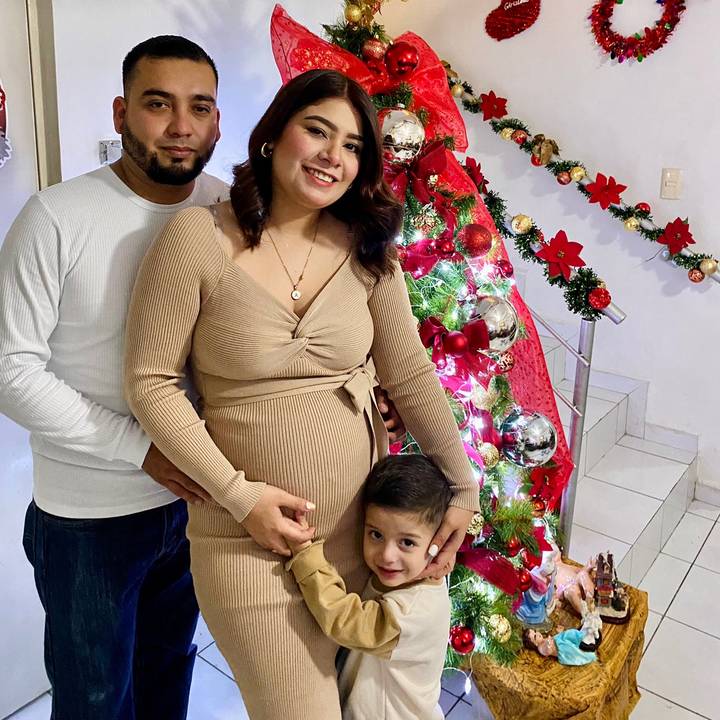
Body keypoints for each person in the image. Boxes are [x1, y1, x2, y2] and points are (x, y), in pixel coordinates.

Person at [123, 68, 480, 720]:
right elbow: (151, 383)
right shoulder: (196, 238)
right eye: (317, 131)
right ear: (272, 136)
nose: (333, 155)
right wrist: (241, 497)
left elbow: (409, 373)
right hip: (247, 542)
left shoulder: (367, 250)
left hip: (366, 539)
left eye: (352, 146)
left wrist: (463, 485)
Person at [0, 35, 226, 719]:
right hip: (88, 521)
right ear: (122, 112)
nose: (181, 126)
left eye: (199, 107)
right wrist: (143, 450)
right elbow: (10, 370)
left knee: (169, 674)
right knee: (95, 702)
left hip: (195, 504)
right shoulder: (56, 217)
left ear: (218, 121)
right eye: (158, 104)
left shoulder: (229, 209)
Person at [285, 454, 454, 720]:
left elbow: (346, 623)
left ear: (439, 543)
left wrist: (306, 555)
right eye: (376, 534)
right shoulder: (411, 577)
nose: (386, 555)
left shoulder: (414, 610)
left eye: (407, 543)